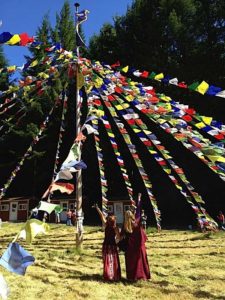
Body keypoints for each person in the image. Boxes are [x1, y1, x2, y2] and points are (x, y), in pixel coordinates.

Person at [95, 204, 121, 281]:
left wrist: (97, 208)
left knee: (107, 260)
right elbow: (118, 237)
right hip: (112, 245)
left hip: (106, 244)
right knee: (113, 260)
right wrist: (117, 241)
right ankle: (114, 275)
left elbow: (101, 216)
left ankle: (108, 274)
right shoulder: (116, 228)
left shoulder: (106, 225)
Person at [122, 210, 150, 281]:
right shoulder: (136, 225)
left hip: (129, 247)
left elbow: (121, 235)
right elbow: (138, 223)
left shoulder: (124, 226)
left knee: (131, 263)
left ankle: (131, 277)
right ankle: (141, 275)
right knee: (140, 262)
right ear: (131, 216)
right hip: (137, 246)